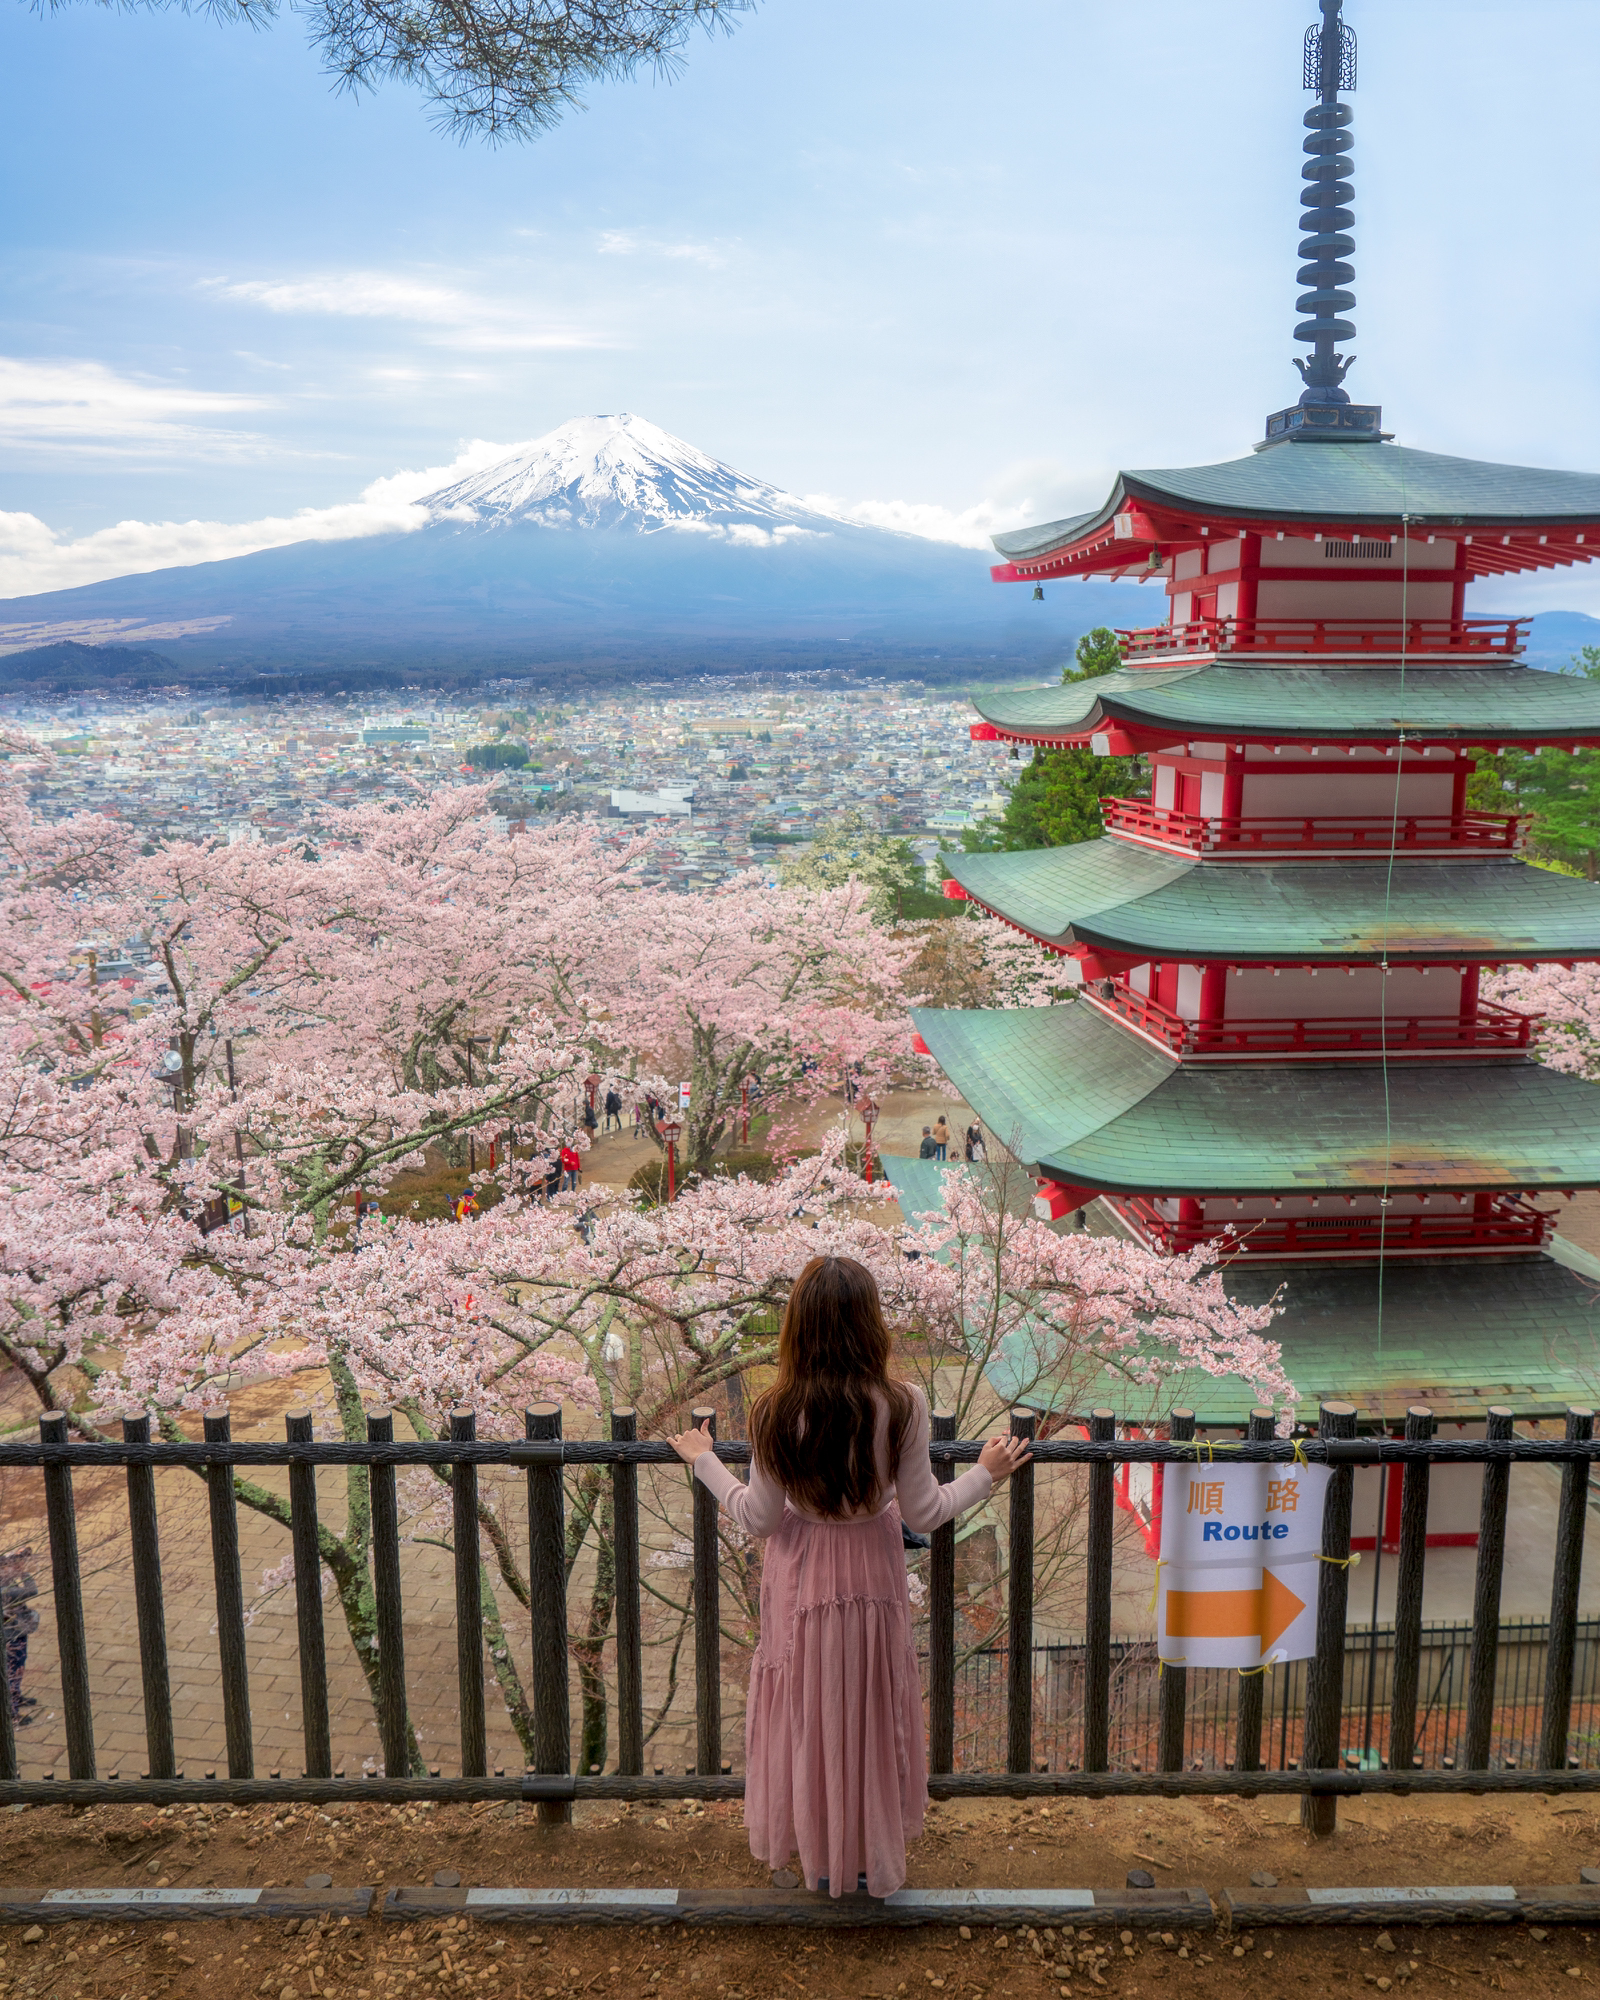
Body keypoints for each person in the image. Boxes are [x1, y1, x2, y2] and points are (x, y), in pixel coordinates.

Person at [669, 1254, 1030, 1900]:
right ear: (870, 1325)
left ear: (796, 1328)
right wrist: (986, 1473)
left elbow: (758, 1518)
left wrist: (703, 1461)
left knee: (811, 1712)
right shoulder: (903, 1405)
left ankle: (820, 1854)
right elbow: (925, 1511)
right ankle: (865, 1857)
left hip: (802, 1580)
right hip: (872, 1574)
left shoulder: (773, 1411)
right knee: (866, 1708)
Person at [0, 1551, 38, 1725]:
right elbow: (31, 1590)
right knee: (11, 1674)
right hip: (10, 1638)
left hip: (15, 1633)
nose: (14, 1568)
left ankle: (16, 1698)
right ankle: (12, 1714)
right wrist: (24, 1572)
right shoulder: (5, 1589)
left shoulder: (6, 1582)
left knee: (17, 1669)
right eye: (10, 1566)